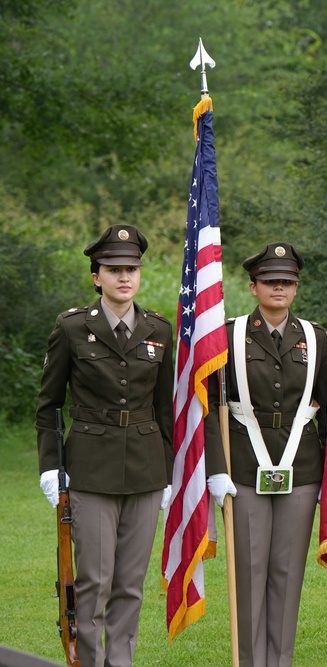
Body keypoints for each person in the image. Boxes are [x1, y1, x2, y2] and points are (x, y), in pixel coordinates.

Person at [36, 224, 174, 667]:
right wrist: (49, 467)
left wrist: (168, 472)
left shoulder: (159, 329)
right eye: (114, 269)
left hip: (146, 470)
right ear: (96, 276)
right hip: (91, 470)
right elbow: (49, 405)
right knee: (94, 581)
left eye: (131, 269)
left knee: (131, 584)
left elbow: (164, 408)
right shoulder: (73, 327)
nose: (124, 277)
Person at [204, 242, 327, 667]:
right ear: (253, 286)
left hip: (301, 468)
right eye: (271, 281)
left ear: (296, 288)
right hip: (243, 468)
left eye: (287, 282)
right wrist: (217, 469)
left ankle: (279, 661)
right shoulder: (226, 336)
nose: (279, 287)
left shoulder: (315, 338)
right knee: (249, 572)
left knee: (286, 573)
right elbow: (207, 410)